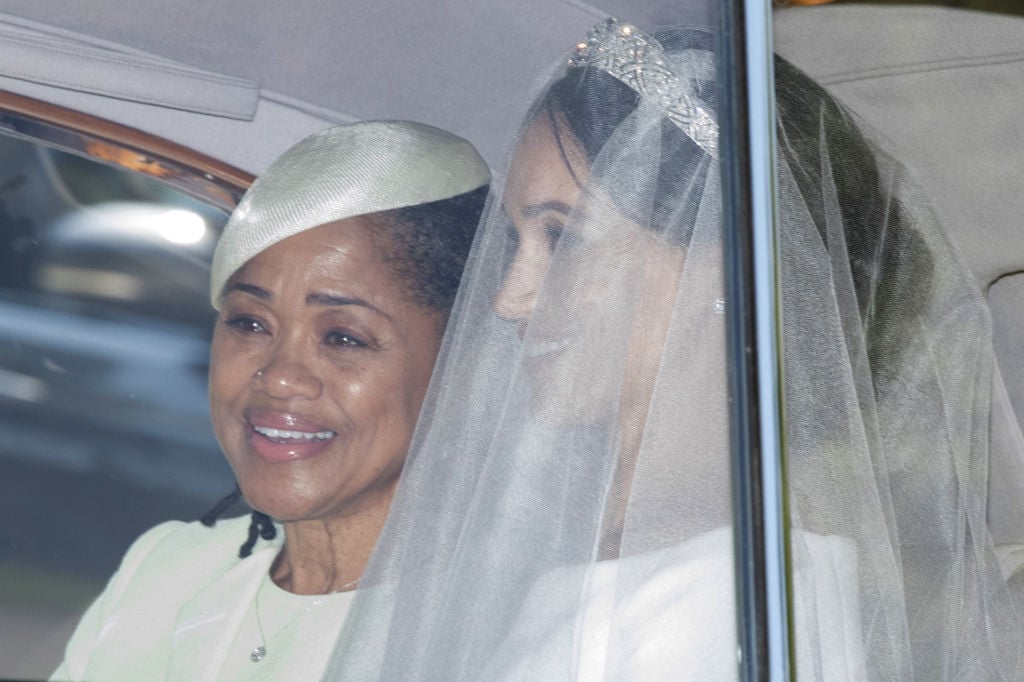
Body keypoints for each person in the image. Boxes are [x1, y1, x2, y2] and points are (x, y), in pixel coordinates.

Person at [323, 20, 1024, 680]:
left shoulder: (727, 595)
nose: (510, 298)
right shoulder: (575, 548)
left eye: (563, 239)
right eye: (514, 242)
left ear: (723, 275)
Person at [50, 120, 490, 681]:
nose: (279, 378)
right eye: (250, 322)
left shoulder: (501, 631)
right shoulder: (167, 568)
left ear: (467, 364)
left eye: (344, 337)